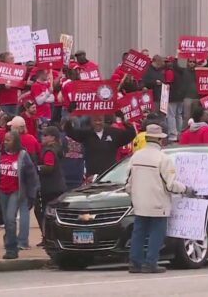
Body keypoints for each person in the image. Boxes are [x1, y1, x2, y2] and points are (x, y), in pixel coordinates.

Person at [126, 124, 194, 274]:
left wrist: (134, 196)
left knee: (138, 233)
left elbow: (128, 182)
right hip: (158, 203)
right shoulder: (163, 159)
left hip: (140, 202)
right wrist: (186, 189)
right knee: (156, 234)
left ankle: (135, 262)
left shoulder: (136, 156)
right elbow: (170, 185)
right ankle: (151, 263)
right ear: (160, 140)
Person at [0, 131, 39, 259]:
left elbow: (31, 176)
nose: (5, 142)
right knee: (6, 220)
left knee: (10, 219)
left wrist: (32, 195)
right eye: (5, 140)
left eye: (8, 140)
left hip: (16, 191)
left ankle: (11, 248)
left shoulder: (23, 156)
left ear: (15, 141)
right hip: (2, 191)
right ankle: (10, 242)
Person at [64, 114, 136, 181]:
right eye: (95, 120)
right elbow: (70, 132)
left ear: (103, 121)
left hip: (110, 176)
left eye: (100, 120)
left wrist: (126, 122)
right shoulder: (86, 133)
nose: (98, 123)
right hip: (92, 177)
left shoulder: (113, 132)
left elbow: (130, 135)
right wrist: (69, 120)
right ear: (91, 122)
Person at [35, 127, 66, 240]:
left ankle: (47, 237)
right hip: (58, 186)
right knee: (54, 214)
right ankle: (53, 237)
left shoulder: (49, 150)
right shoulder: (59, 148)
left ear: (52, 137)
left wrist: (36, 168)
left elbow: (49, 167)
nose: (42, 137)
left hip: (49, 187)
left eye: (45, 135)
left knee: (41, 212)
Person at [181, 58, 200, 126]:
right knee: (186, 116)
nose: (192, 63)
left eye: (193, 62)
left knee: (195, 116)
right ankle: (184, 131)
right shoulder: (184, 71)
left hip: (197, 97)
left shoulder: (199, 71)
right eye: (190, 61)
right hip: (187, 97)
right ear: (187, 62)